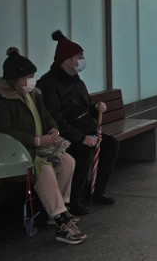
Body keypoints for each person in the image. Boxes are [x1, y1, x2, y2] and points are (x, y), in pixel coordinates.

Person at [0, 47, 87, 244]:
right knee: (43, 169)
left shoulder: (32, 94)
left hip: (33, 150)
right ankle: (62, 221)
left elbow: (46, 116)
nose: (31, 81)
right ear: (13, 80)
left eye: (32, 76)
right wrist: (35, 140)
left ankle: (60, 209)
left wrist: (53, 129)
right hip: (8, 156)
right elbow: (2, 132)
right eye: (27, 77)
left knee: (67, 161)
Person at [37, 30, 119, 214]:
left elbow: (84, 104)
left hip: (85, 130)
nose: (83, 59)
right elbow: (55, 118)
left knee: (111, 145)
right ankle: (75, 199)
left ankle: (97, 190)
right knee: (82, 153)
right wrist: (81, 137)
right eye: (79, 56)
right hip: (66, 137)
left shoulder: (75, 79)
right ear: (67, 60)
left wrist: (95, 108)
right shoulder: (49, 84)